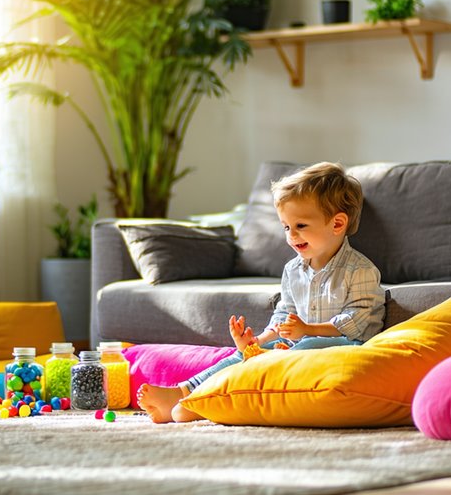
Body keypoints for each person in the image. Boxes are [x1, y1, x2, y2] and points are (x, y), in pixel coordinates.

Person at [136, 162, 385, 423]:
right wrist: (258, 340)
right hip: (296, 344)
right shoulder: (293, 270)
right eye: (286, 227)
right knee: (244, 354)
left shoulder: (359, 271)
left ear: (337, 224)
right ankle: (183, 392)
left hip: (345, 348)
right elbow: (284, 315)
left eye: (300, 225)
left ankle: (210, 401)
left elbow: (357, 324)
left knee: (306, 345)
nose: (291, 236)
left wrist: (308, 330)